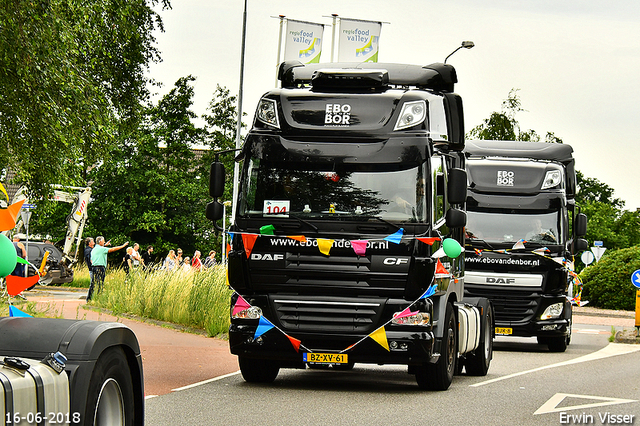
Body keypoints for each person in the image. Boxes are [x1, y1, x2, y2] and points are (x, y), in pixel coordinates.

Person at [87, 236, 128, 302]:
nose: (104, 242)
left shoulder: (94, 249)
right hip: (100, 267)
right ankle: (98, 299)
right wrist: (123, 246)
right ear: (100, 242)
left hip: (94, 267)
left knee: (93, 284)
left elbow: (91, 260)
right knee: (100, 284)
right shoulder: (102, 249)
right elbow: (112, 249)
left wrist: (105, 245)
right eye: (103, 241)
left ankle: (89, 298)